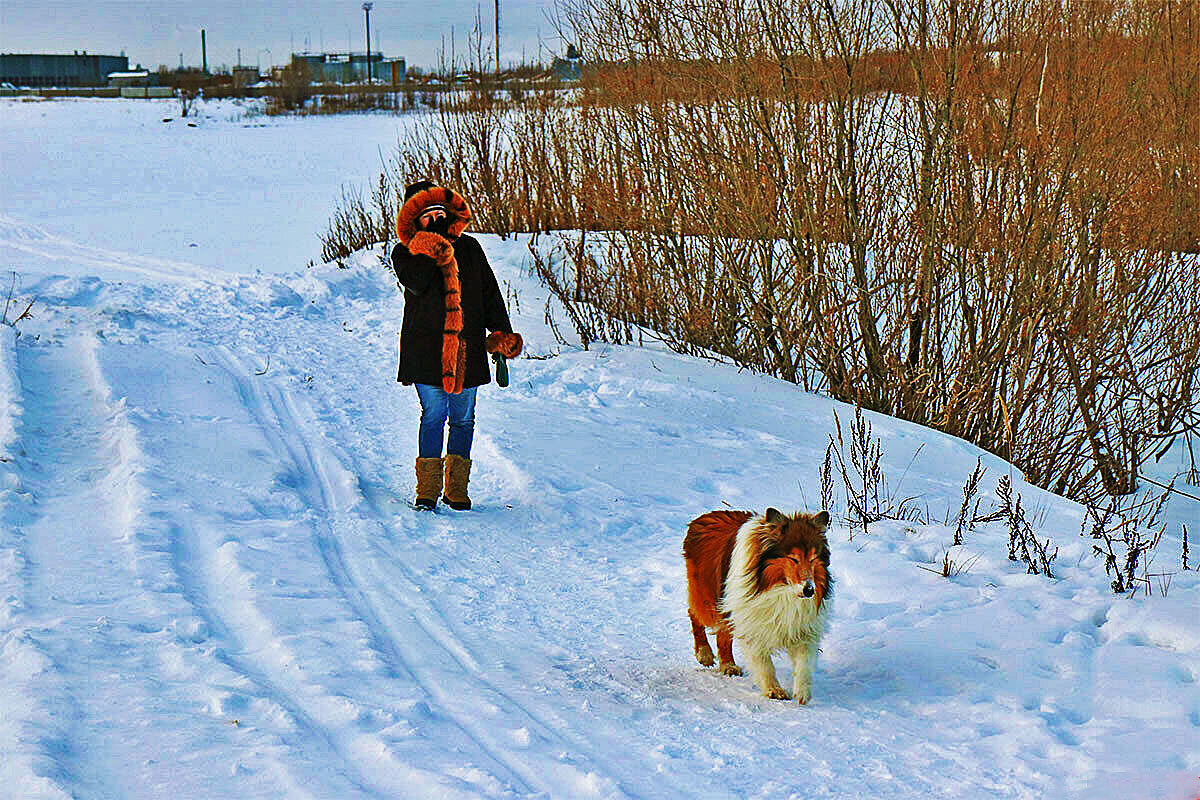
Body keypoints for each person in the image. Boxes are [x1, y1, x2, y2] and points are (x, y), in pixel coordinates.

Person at [391, 180, 523, 510]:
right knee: (434, 414)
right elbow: (418, 284)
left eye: (440, 212)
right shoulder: (404, 253)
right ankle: (428, 489)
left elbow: (490, 293)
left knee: (463, 418)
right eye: (426, 215)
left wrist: (503, 333)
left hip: (469, 349)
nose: (435, 219)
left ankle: (457, 489)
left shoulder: (471, 248)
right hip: (426, 352)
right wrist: (430, 247)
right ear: (413, 221)